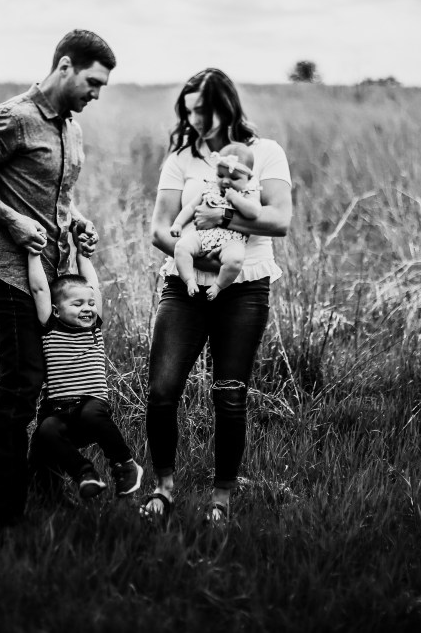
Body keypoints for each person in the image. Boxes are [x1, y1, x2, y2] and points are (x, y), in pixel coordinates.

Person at [0, 29, 116, 530]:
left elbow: (54, 195)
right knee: (20, 390)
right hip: (8, 274)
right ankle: (3, 517)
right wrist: (10, 219)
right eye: (93, 82)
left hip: (54, 279)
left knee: (59, 391)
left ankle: (47, 484)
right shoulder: (14, 118)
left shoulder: (72, 128)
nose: (96, 94)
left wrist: (75, 219)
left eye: (102, 87)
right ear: (65, 66)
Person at [140, 68, 293, 524]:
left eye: (202, 110)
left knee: (229, 393)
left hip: (245, 288)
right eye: (188, 112)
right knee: (162, 390)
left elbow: (279, 220)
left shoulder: (265, 152)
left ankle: (221, 497)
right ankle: (164, 487)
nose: (196, 120)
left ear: (225, 105)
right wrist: (203, 258)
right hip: (184, 283)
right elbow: (158, 227)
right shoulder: (181, 158)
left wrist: (221, 220)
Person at [24, 244, 144, 500]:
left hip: (92, 405)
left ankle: (125, 465)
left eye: (90, 303)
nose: (87, 308)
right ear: (57, 310)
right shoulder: (50, 327)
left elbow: (94, 285)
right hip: (60, 410)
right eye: (77, 304)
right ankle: (85, 474)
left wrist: (82, 255)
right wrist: (33, 253)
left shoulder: (94, 328)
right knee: (46, 430)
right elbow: (39, 288)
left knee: (91, 414)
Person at [169, 141, 262, 300]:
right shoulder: (209, 189)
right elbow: (191, 208)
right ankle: (189, 280)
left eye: (234, 177)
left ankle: (218, 285)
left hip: (232, 241)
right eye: (220, 175)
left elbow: (254, 213)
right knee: (181, 247)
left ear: (248, 178)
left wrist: (236, 199)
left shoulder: (248, 194)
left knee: (235, 261)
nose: (225, 181)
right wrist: (178, 223)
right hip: (205, 235)